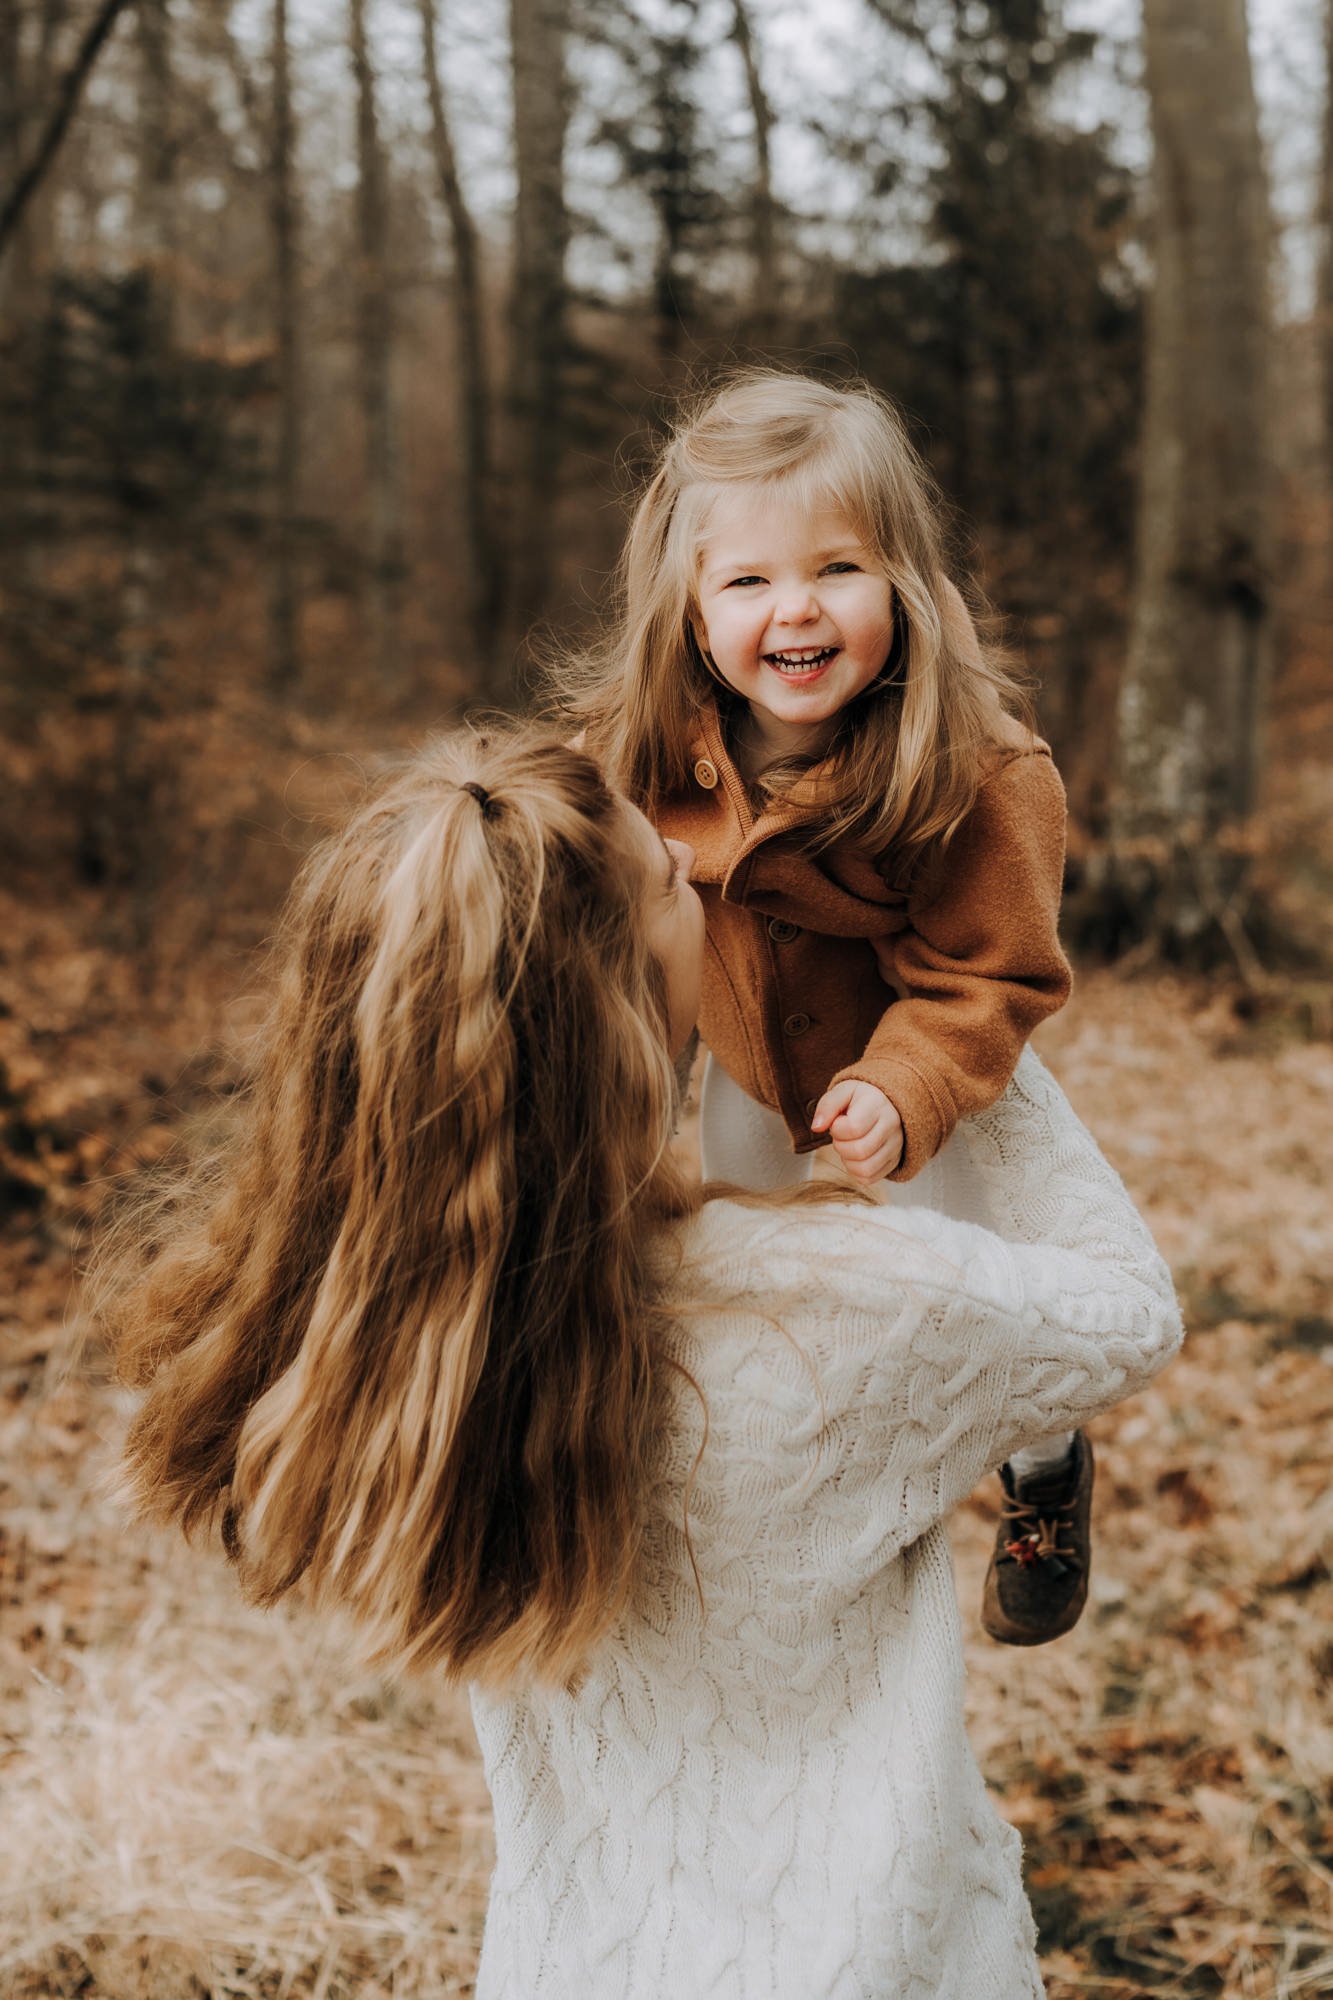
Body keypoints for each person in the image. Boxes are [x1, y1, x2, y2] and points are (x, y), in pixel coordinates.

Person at [104, 728, 1182, 2000]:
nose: (687, 853)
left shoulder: (387, 1350)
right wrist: (953, 1009)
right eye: (664, 881)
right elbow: (1126, 1309)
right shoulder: (822, 1306)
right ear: (617, 1007)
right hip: (878, 1960)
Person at [567, 368, 1087, 1647]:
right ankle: (825, 1495)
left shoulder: (975, 771)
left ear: (903, 583)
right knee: (777, 1293)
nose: (793, 608)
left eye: (836, 569)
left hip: (930, 1081)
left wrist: (905, 1087)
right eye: (746, 581)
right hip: (751, 1070)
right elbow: (585, 894)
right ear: (690, 612)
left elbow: (992, 971)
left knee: (974, 1294)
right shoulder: (641, 749)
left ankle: (1043, 1463)